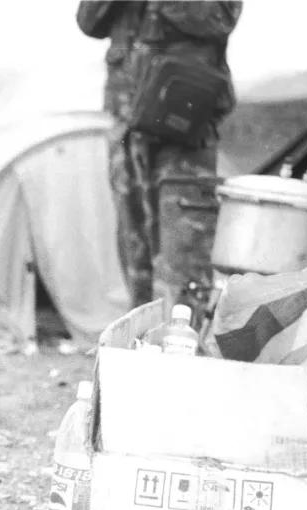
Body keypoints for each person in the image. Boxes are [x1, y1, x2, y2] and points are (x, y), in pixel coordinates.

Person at [77, 1, 242, 312]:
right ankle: (138, 348)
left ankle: (183, 350)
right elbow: (88, 21)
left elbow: (216, 18)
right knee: (135, 254)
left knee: (185, 261)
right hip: (127, 127)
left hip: (183, 132)